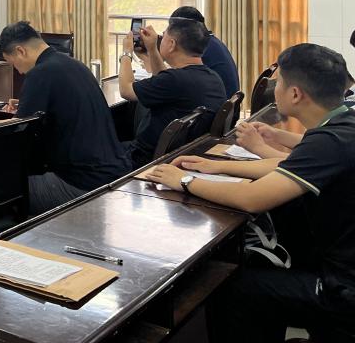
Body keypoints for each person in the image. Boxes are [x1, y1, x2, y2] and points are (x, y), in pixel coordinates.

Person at [146, 44, 355, 343]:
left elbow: (251, 198)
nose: (274, 88)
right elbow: (289, 166)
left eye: (278, 83)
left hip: (343, 290)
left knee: (233, 288)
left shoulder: (329, 140)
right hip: (338, 264)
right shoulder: (344, 121)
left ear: (295, 94)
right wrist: (216, 166)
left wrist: (185, 180)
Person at [0, 21, 133, 215]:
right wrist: (26, 105)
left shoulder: (39, 73)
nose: (18, 71)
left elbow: (19, 130)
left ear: (21, 51)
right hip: (116, 172)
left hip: (84, 184)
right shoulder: (74, 64)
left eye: (13, 64)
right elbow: (56, 108)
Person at [119, 18, 226, 167]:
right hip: (179, 154)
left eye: (163, 37)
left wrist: (126, 53)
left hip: (141, 159)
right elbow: (162, 78)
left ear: (171, 44)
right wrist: (152, 49)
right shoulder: (212, 77)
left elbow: (126, 90)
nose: (159, 40)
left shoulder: (175, 80)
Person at [169, 6, 240, 96]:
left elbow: (177, 81)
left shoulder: (200, 47)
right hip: (225, 100)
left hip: (217, 101)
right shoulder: (211, 42)